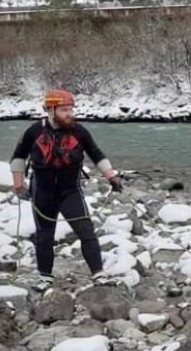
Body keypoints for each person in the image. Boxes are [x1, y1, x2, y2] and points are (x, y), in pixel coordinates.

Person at [10, 89, 123, 291]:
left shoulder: (79, 131)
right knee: (44, 235)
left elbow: (96, 154)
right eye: (64, 110)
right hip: (42, 192)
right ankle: (45, 278)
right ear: (50, 110)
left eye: (71, 109)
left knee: (86, 231)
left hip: (70, 191)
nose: (69, 113)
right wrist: (19, 184)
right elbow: (18, 158)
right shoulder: (33, 131)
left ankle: (99, 274)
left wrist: (111, 176)